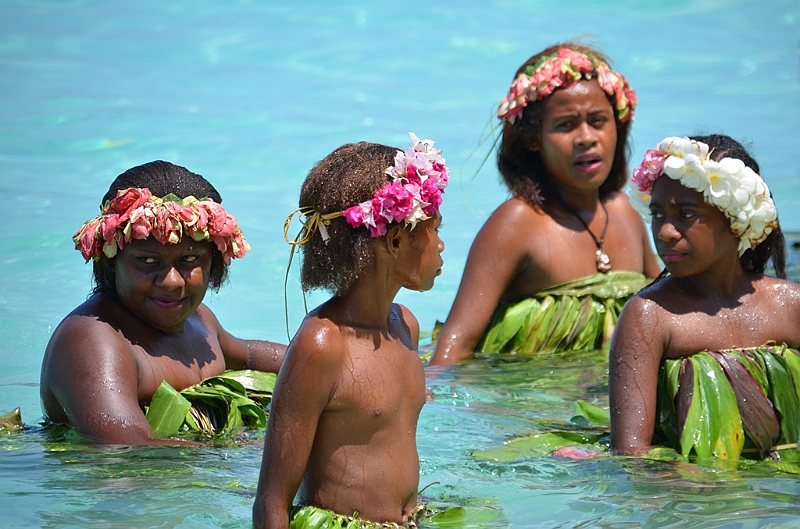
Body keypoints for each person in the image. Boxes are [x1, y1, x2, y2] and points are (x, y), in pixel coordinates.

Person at [252, 135, 447, 528]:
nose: (441, 245)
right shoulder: (323, 344)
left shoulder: (406, 325)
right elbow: (272, 501)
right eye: (434, 229)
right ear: (393, 240)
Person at [430, 43, 660, 365]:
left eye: (598, 121)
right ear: (533, 139)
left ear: (617, 128)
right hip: (528, 405)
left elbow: (669, 306)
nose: (586, 137)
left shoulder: (625, 212)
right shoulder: (518, 223)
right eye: (566, 125)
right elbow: (455, 346)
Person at [40, 161, 286, 445]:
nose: (171, 282)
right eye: (147, 261)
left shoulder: (200, 321)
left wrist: (331, 359)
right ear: (110, 261)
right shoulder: (92, 342)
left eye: (189, 260)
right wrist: (248, 450)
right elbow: (128, 450)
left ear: (215, 262)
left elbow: (251, 356)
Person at [609, 135, 800, 457]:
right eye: (657, 215)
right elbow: (631, 452)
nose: (665, 232)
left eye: (685, 214)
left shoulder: (790, 305)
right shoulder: (650, 315)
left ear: (737, 219)